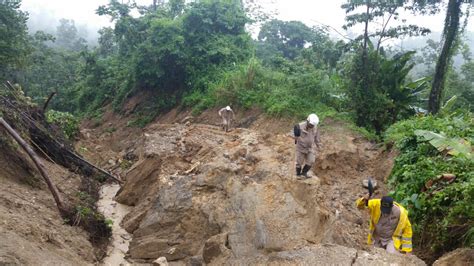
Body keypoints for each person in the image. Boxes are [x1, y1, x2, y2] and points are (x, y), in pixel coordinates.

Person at [293, 113, 322, 178]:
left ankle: (304, 173)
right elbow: (294, 135)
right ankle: (298, 175)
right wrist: (296, 136)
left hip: (310, 148)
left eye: (313, 125)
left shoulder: (315, 128)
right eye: (311, 125)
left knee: (311, 161)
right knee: (299, 162)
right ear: (307, 121)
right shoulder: (299, 126)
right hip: (300, 147)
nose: (312, 126)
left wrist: (319, 146)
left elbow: (317, 138)